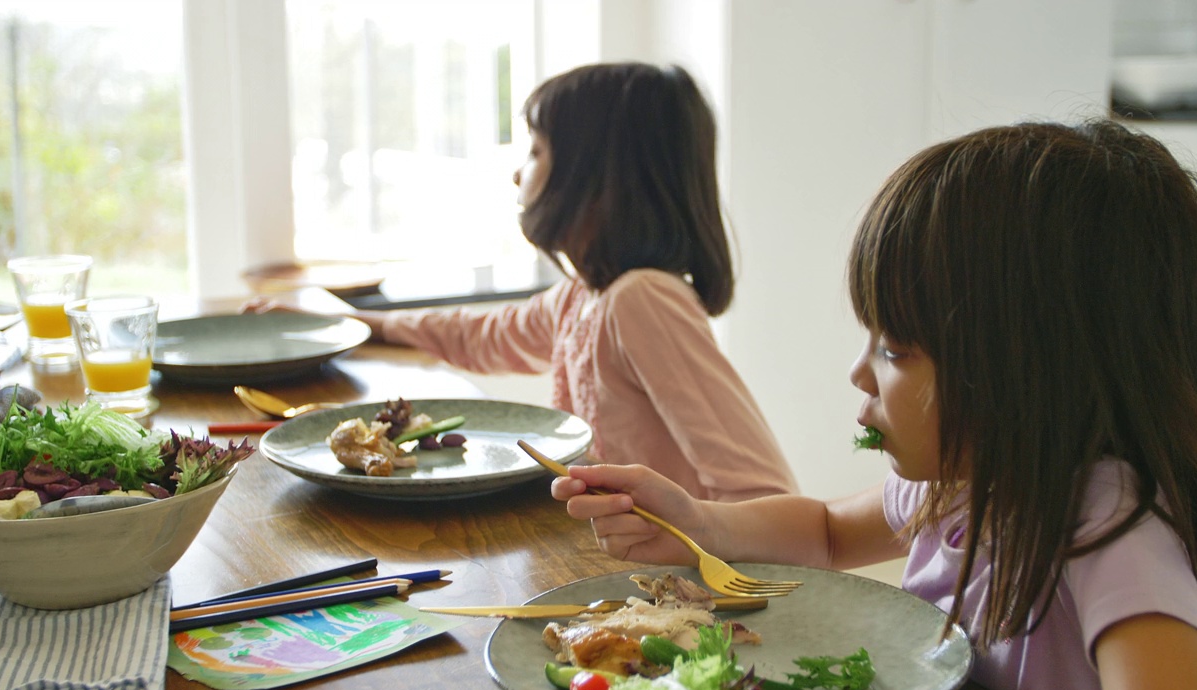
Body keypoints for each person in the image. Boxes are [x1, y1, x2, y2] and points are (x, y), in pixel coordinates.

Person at [551, 120, 1197, 690]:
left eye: (894, 348)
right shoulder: (970, 481)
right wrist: (698, 525)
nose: (860, 373)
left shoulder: (1110, 529)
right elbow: (825, 532)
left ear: (1026, 368)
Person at [252, 62, 797, 501]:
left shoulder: (642, 300)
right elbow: (480, 333)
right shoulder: (583, 297)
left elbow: (764, 491)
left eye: (535, 151)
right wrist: (353, 324)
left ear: (597, 181)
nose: (518, 172)